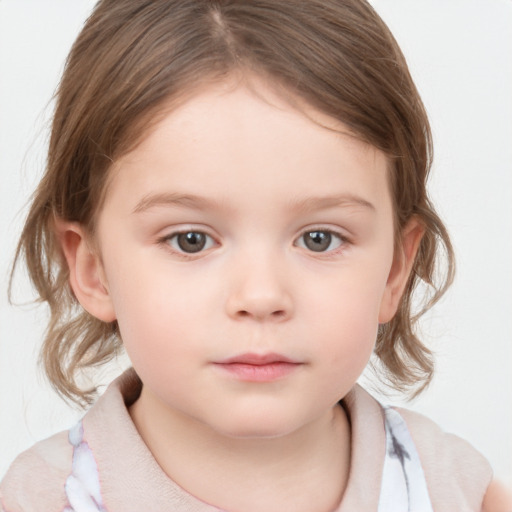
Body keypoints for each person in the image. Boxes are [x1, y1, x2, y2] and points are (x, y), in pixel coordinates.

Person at [0, 0, 510, 510]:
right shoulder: (41, 500)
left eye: (319, 238)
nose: (261, 296)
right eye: (190, 239)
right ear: (92, 269)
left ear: (395, 271)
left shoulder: (456, 492)